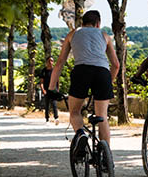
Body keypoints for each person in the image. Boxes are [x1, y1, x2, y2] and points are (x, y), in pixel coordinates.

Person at [48, 10, 120, 158]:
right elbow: (116, 65)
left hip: (81, 71)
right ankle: (105, 157)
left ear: (82, 23)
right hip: (102, 73)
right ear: (98, 23)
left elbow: (60, 62)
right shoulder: (104, 35)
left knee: (75, 112)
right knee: (102, 116)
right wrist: (108, 84)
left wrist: (51, 88)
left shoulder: (73, 34)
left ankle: (80, 134)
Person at [38, 56, 60, 124]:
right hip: (46, 90)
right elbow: (41, 82)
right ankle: (47, 119)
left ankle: (56, 118)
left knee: (54, 104)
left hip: (54, 90)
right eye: (49, 61)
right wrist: (43, 90)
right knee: (47, 105)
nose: (50, 62)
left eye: (52, 61)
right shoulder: (44, 71)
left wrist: (58, 89)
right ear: (46, 62)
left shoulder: (55, 70)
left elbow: (57, 80)